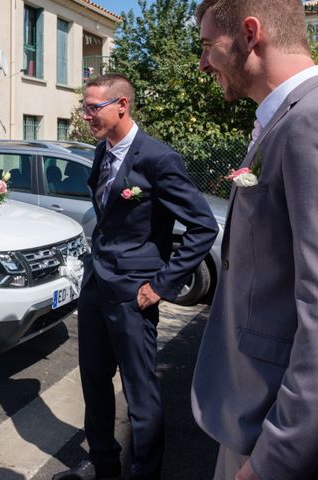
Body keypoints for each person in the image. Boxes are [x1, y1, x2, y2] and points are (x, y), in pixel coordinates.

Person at [53, 74, 218, 480]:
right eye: (85, 107)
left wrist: (162, 285)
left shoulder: (157, 158)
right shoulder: (101, 151)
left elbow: (203, 226)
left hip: (134, 293)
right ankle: (104, 466)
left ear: (121, 105)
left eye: (93, 107)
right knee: (93, 382)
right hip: (96, 285)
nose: (85, 114)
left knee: (140, 394)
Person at [191, 2, 318, 479]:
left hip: (272, 424)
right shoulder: (287, 117)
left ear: (249, 34)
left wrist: (274, 458)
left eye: (207, 47)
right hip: (250, 408)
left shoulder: (308, 121)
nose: (202, 64)